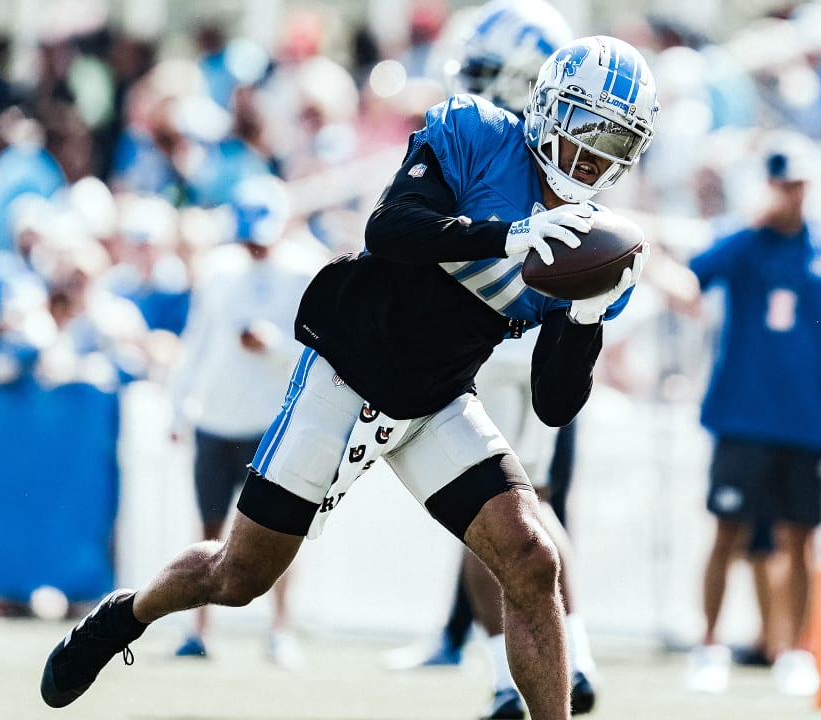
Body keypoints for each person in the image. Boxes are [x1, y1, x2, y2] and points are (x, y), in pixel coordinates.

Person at [40, 35, 659, 720]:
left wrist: (587, 317)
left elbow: (553, 404)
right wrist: (504, 237)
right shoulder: (479, 133)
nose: (593, 151)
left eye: (615, 139)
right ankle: (129, 614)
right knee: (238, 575)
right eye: (583, 125)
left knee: (531, 558)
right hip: (346, 373)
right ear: (545, 110)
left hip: (438, 402)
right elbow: (391, 227)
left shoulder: (599, 251)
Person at [381, 4, 599, 718]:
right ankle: (577, 649)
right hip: (523, 323)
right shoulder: (556, 148)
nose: (471, 85)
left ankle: (514, 673)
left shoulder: (495, 142)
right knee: (529, 503)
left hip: (493, 331)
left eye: (485, 72)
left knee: (499, 512)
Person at [675, 134, 821, 695]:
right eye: (782, 183)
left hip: (805, 422)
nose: (791, 194)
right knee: (726, 532)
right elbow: (697, 275)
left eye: (799, 183)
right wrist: (748, 221)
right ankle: (709, 644)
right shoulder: (745, 244)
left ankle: (796, 648)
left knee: (803, 537)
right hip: (741, 416)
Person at [164, 174, 318, 665]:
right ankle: (198, 629)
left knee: (279, 530)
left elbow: (315, 349)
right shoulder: (218, 270)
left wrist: (271, 347)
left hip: (270, 423)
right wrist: (180, 404)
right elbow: (197, 339)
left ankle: (280, 630)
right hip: (217, 419)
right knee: (208, 529)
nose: (254, 247)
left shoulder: (304, 269)